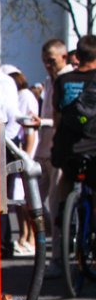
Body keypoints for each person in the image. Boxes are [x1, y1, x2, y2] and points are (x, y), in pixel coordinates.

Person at [52, 35, 96, 272]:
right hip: (94, 147)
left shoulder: (63, 80)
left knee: (64, 189)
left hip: (68, 148)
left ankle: (58, 256)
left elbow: (57, 116)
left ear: (76, 56)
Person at [34, 38, 73, 275]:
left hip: (58, 148)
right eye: (46, 63)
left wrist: (44, 122)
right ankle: (50, 249)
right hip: (45, 148)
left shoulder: (68, 80)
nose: (49, 66)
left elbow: (63, 117)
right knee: (36, 201)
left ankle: (58, 257)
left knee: (56, 204)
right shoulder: (50, 81)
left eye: (52, 61)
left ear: (64, 57)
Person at [7, 69, 39, 256]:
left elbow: (29, 130)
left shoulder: (24, 96)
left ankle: (32, 238)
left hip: (26, 154)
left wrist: (26, 156)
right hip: (20, 153)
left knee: (28, 201)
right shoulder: (20, 96)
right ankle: (24, 236)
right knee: (20, 201)